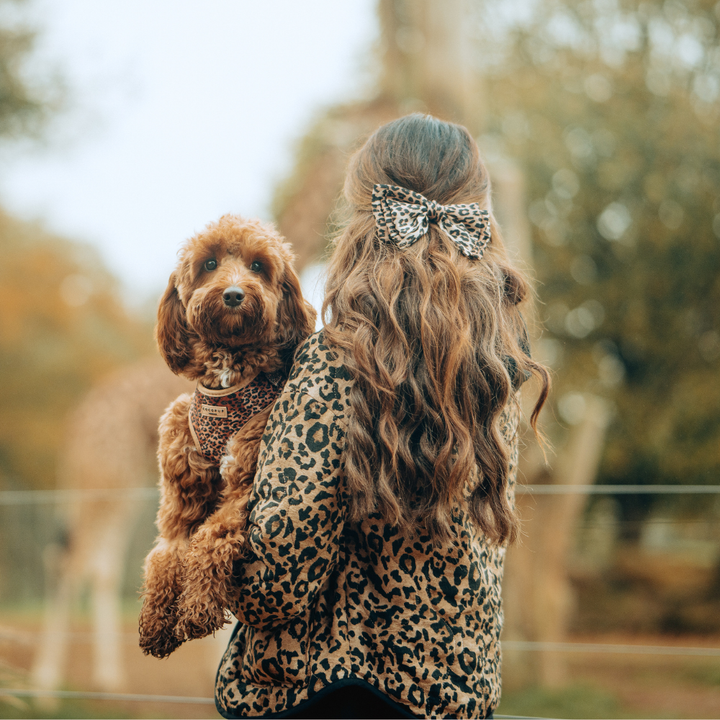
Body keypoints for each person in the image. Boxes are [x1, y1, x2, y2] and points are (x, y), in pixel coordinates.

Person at [215, 114, 550, 719]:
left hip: (330, 697)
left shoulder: (334, 361)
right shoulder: (497, 371)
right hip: (455, 703)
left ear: (362, 220)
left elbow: (277, 581)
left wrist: (209, 549)